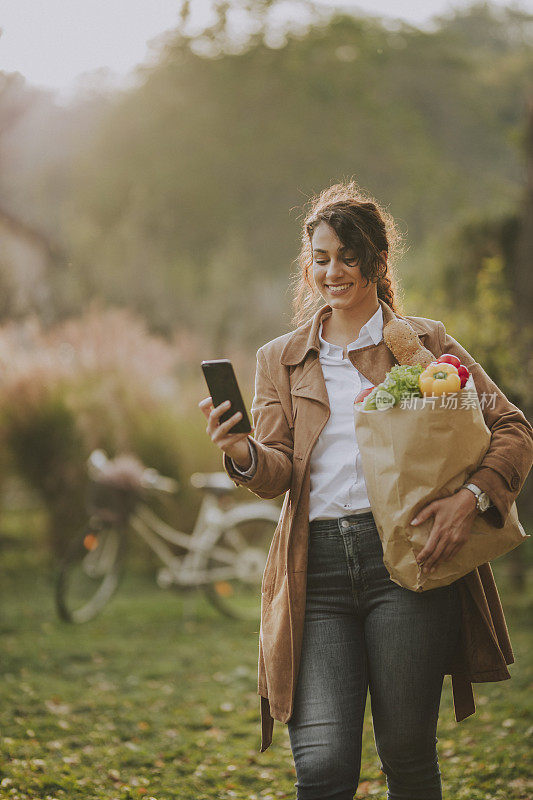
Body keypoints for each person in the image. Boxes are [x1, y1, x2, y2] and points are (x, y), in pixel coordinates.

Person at [198, 181, 533, 800]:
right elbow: (276, 473)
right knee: (323, 767)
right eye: (320, 258)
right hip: (315, 574)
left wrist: (472, 500)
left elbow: (512, 428)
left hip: (406, 563)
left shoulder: (426, 345)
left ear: (378, 261)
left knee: (407, 758)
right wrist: (241, 452)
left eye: (347, 256)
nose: (332, 271)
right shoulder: (282, 358)